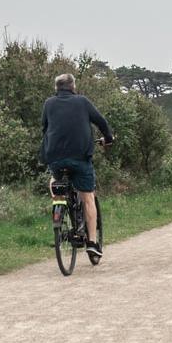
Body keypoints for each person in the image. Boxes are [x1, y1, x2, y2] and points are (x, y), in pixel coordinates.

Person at [40, 73, 114, 257]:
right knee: (88, 197)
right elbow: (101, 122)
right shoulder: (82, 102)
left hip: (55, 158)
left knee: (55, 180)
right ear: (73, 86)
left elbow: (44, 128)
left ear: (56, 88)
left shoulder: (48, 104)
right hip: (80, 158)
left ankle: (58, 204)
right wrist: (108, 138)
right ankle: (92, 242)